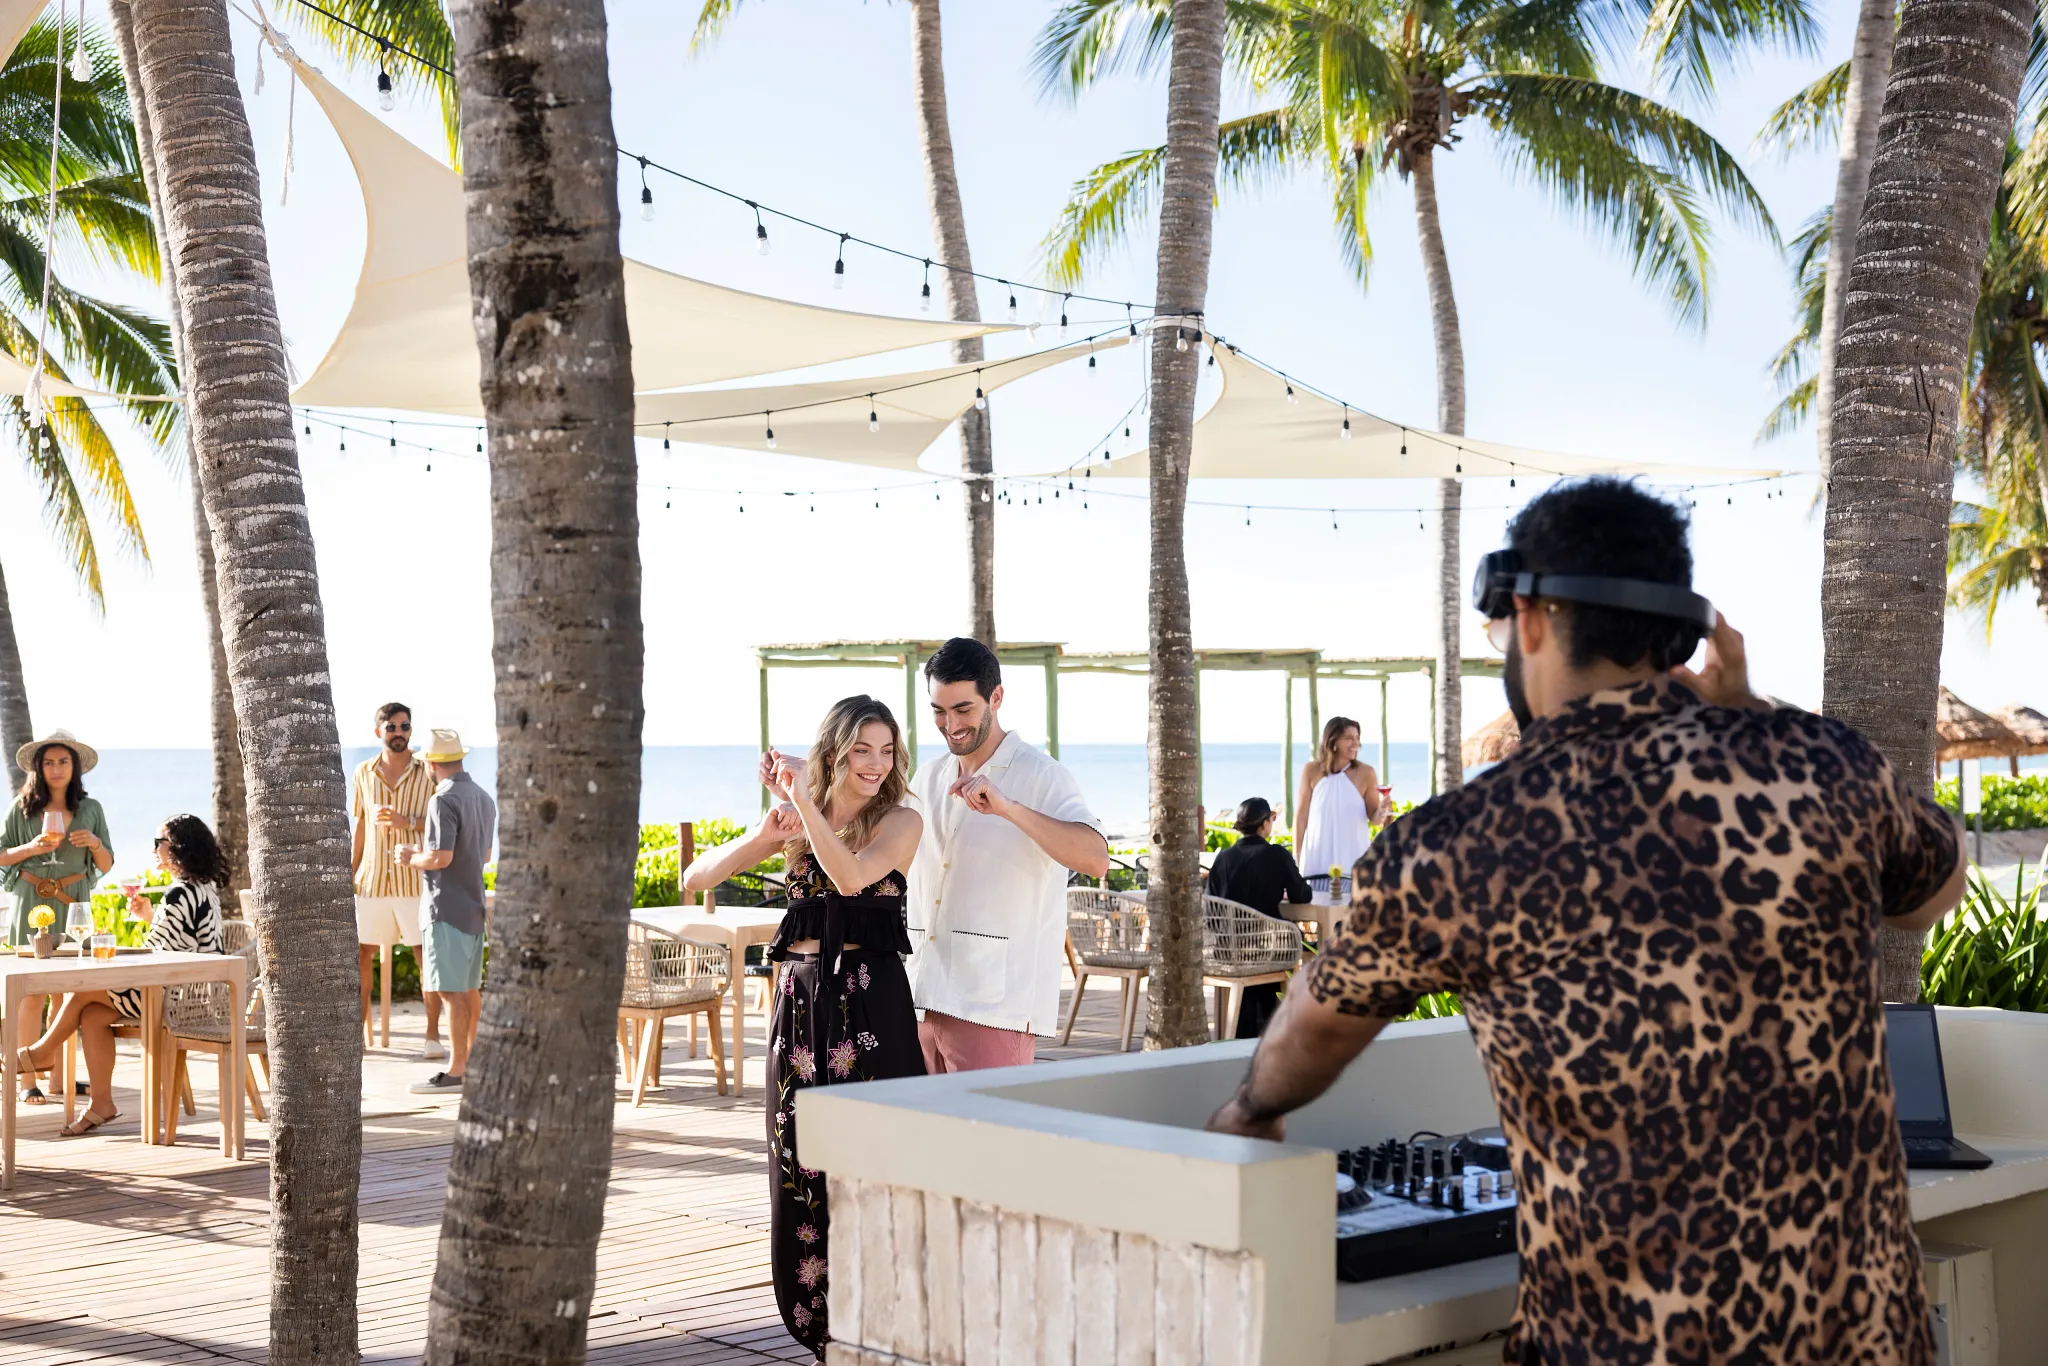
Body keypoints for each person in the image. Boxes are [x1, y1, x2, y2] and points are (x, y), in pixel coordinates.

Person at [1208, 478, 1966, 1365]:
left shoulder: (1463, 840)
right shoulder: (1822, 766)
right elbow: (1929, 893)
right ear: (1687, 632)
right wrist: (1755, 714)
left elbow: (1316, 1029)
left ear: (1527, 617)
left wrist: (1251, 1109)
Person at [681, 695, 926, 1360]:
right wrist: (767, 832)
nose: (876, 764)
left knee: (879, 1164)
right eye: (861, 750)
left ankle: (889, 1323)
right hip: (800, 1008)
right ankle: (822, 1330)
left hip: (870, 1010)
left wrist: (805, 804)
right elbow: (694, 875)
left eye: (886, 750)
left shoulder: (903, 821)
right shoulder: (799, 819)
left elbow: (849, 879)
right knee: (802, 1163)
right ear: (835, 751)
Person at [907, 636, 1108, 1072]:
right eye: (939, 711)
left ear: (996, 698)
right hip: (920, 997)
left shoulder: (1043, 775)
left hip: (992, 1008)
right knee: (926, 1141)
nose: (950, 724)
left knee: (991, 1141)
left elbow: (1096, 858)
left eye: (963, 709)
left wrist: (1008, 809)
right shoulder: (927, 777)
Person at [16, 813, 226, 1136]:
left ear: (177, 848)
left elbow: (153, 953)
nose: (154, 850)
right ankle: (101, 1103)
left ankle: (41, 1053)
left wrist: (115, 944)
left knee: (82, 991)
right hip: (194, 994)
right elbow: (183, 942)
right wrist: (150, 916)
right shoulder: (203, 890)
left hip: (169, 998)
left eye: (159, 843)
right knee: (93, 1015)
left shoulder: (178, 894)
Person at [0, 730, 114, 1105]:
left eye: (63, 761)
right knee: (29, 996)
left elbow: (107, 863)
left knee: (69, 993)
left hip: (74, 903)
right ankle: (27, 1078)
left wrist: (94, 843)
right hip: (31, 899)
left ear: (74, 766)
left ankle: (61, 1079)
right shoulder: (21, 809)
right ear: (39, 767)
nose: (56, 768)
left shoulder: (91, 808)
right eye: (48, 762)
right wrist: (30, 848)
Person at [395, 729, 495, 1096]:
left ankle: (456, 1070)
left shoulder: (442, 801)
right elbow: (483, 857)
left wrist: (410, 858)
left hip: (446, 908)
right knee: (468, 990)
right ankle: (475, 1063)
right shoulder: (483, 798)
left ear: (431, 765)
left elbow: (440, 857)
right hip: (473, 906)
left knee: (451, 993)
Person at [350, 702, 443, 1058]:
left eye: (405, 726)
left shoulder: (426, 772)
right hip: (371, 882)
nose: (399, 732)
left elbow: (441, 821)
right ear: (378, 732)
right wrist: (350, 870)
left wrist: (408, 822)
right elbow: (359, 827)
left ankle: (432, 1036)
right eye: (391, 727)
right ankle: (357, 1037)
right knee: (360, 956)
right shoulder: (363, 772)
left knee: (425, 957)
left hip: (415, 882)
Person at [1207, 797, 1313, 1039]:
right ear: (1265, 824)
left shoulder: (1223, 858)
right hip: (1269, 949)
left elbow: (1211, 914)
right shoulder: (1276, 854)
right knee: (1305, 945)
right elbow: (1302, 895)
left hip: (1228, 951)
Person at [1292, 715, 1389, 882]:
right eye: (1349, 738)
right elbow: (1301, 817)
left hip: (1353, 854)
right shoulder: (1311, 770)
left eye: (1357, 738)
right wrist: (1297, 857)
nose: (1356, 744)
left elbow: (1374, 819)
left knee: (1351, 905)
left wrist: (1382, 811)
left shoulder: (1366, 773)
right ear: (1333, 741)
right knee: (1316, 903)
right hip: (1317, 857)